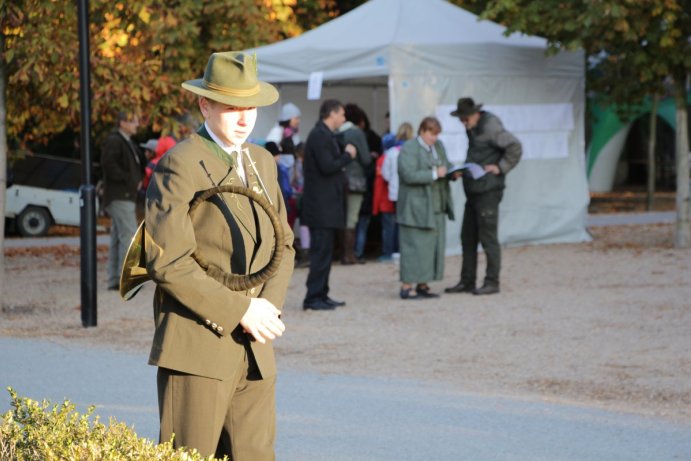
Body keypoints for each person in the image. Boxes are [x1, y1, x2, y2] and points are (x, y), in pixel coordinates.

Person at [144, 51, 295, 460]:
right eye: (232, 107)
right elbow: (168, 262)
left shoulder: (262, 160)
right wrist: (241, 311)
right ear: (204, 105)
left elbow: (286, 244)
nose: (245, 118)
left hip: (256, 349)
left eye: (251, 107)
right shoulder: (179, 164)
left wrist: (267, 310)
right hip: (198, 346)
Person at [445, 97, 522, 295]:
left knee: (488, 237)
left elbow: (515, 146)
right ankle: (467, 280)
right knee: (467, 237)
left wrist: (501, 167)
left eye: (466, 119)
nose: (464, 123)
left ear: (476, 114)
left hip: (488, 191)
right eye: (461, 120)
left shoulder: (490, 126)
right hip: (473, 190)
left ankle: (492, 281)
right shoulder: (473, 127)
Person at [301, 99, 357, 310]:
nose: (343, 119)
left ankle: (322, 293)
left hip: (327, 206)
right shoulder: (318, 136)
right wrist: (347, 156)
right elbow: (327, 166)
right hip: (320, 207)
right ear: (331, 114)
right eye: (341, 115)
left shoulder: (325, 135)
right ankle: (313, 297)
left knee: (326, 253)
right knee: (320, 253)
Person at [397, 117, 457, 299]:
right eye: (431, 133)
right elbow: (408, 174)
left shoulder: (438, 147)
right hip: (416, 207)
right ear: (422, 131)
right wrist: (434, 174)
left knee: (431, 247)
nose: (434, 137)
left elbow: (445, 165)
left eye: (436, 134)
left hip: (436, 204)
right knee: (413, 246)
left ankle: (423, 283)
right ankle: (407, 286)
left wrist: (453, 172)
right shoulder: (409, 148)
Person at [101, 111, 144, 291]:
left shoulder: (125, 141)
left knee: (118, 238)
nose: (137, 124)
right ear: (122, 123)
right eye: (133, 121)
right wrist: (129, 180)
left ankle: (115, 278)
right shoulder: (115, 141)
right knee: (129, 237)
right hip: (120, 195)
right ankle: (127, 280)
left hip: (123, 195)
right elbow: (108, 163)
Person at [337, 103, 371, 265]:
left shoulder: (337, 132)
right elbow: (365, 159)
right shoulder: (356, 133)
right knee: (352, 219)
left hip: (338, 179)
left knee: (342, 217)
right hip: (355, 180)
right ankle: (349, 255)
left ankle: (342, 253)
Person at [377, 122, 414, 262]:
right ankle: (406, 251)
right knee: (407, 222)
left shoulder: (391, 153)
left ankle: (392, 252)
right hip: (410, 191)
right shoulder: (412, 151)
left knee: (394, 224)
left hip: (395, 193)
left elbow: (385, 174)